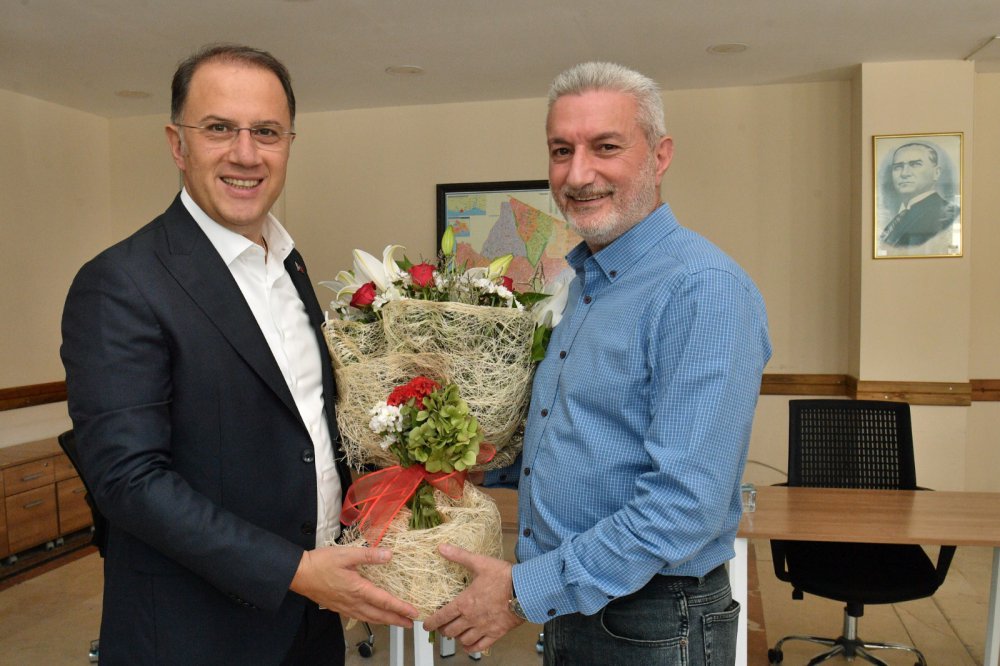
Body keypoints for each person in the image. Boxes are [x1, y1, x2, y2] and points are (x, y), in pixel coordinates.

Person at [60, 44, 418, 665]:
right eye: (219, 129)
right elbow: (129, 480)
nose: (246, 154)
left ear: (289, 145)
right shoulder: (121, 282)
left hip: (312, 621)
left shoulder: (291, 266)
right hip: (196, 635)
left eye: (267, 132)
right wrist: (293, 571)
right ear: (177, 144)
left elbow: (306, 428)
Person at [424, 62, 772, 665]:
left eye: (606, 147)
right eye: (562, 150)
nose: (578, 174)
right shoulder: (589, 282)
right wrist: (462, 458)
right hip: (579, 599)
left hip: (653, 621)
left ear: (660, 157)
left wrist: (521, 592)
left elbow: (683, 507)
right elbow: (583, 435)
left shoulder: (702, 289)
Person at [880, 142, 959, 250]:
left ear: (936, 173)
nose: (904, 173)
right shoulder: (900, 215)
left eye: (915, 165)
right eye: (898, 167)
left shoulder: (946, 214)